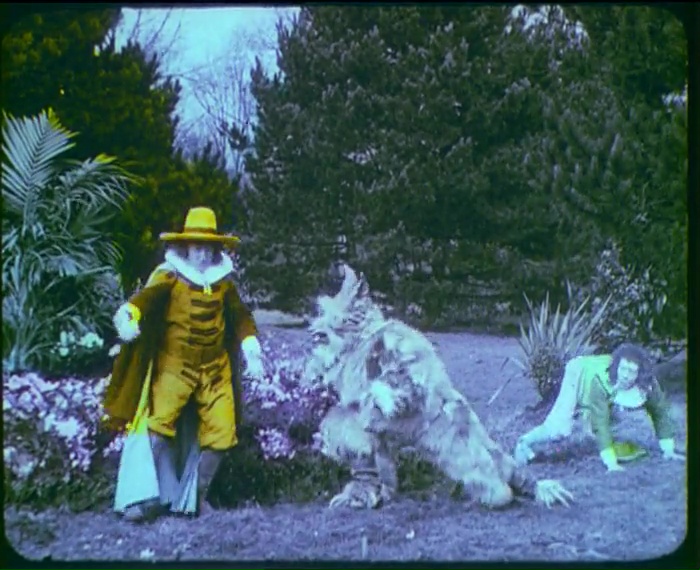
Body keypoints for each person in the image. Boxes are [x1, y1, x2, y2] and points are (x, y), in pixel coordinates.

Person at [102, 206, 265, 521]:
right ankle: (143, 497)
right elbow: (144, 300)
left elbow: (241, 316)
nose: (202, 253)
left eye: (208, 247)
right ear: (186, 246)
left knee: (223, 433)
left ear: (216, 249)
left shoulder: (223, 284)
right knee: (157, 428)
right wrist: (129, 315)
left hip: (215, 370)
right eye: (196, 246)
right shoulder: (170, 277)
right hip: (174, 366)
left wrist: (250, 345)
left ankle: (195, 498)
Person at [513, 343, 685, 471]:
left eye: (632, 371)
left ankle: (604, 445)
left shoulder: (649, 385)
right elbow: (600, 422)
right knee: (560, 429)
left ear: (640, 373)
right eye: (623, 369)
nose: (626, 376)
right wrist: (611, 464)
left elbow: (660, 413)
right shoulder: (601, 382)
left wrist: (668, 450)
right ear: (617, 367)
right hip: (579, 372)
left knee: (610, 423)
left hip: (599, 375)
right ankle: (524, 443)